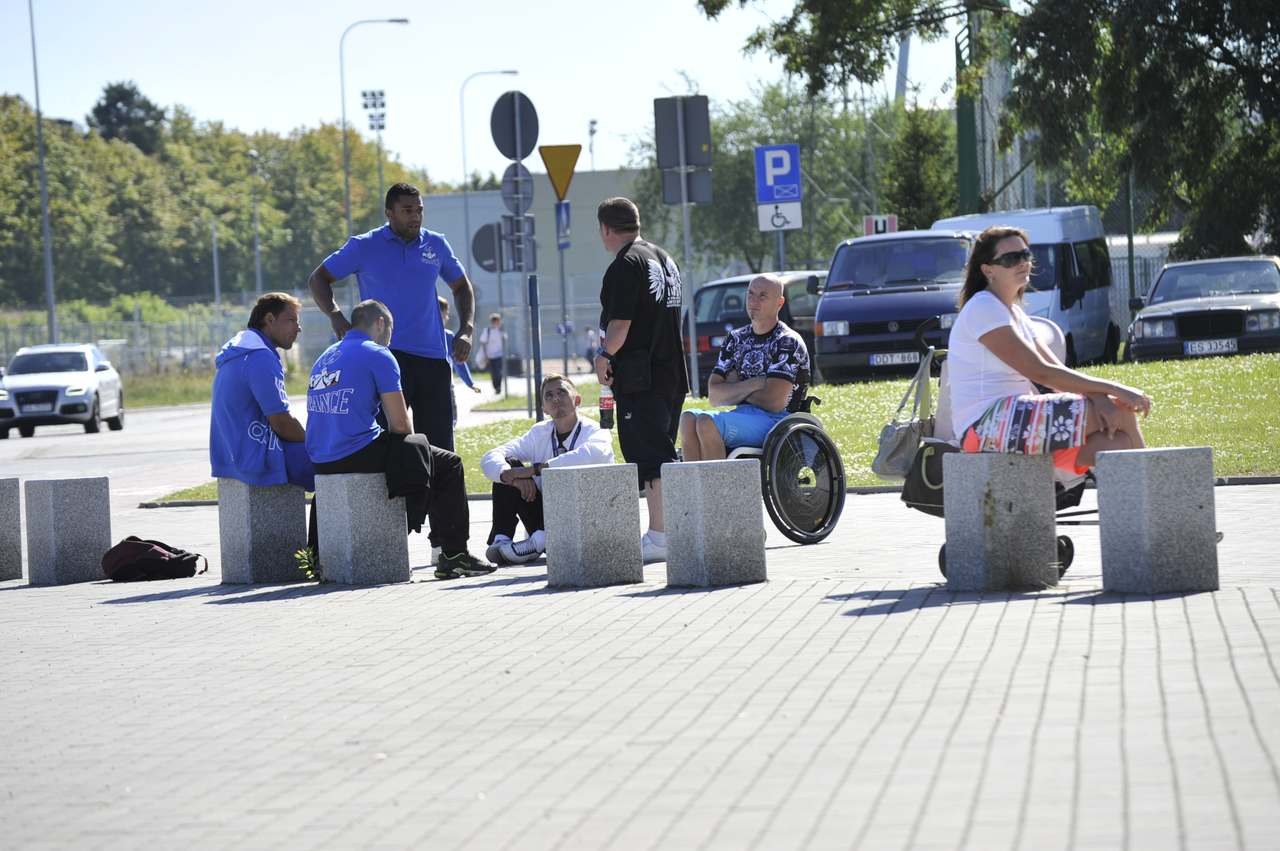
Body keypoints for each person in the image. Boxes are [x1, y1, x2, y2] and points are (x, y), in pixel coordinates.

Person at [304, 298, 495, 580]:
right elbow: (400, 423)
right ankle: (455, 555)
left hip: (321, 460)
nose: (391, 338)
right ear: (380, 323)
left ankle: (314, 558)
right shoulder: (378, 355)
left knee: (416, 452)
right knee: (447, 462)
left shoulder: (327, 355)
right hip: (356, 452)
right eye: (391, 330)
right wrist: (413, 469)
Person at [948, 226, 1152, 475]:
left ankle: (1135, 508)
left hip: (1015, 420)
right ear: (988, 269)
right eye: (1011, 259)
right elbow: (1041, 373)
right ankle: (1156, 500)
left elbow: (1057, 372)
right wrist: (1115, 389)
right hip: (984, 426)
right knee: (1121, 410)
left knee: (1117, 441)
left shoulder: (1015, 313)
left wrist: (1099, 398)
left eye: (1025, 255)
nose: (1022, 263)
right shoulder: (983, 307)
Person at [306, 182, 475, 452]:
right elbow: (318, 279)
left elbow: (461, 286)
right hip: (384, 356)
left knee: (440, 446)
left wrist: (466, 328)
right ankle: (393, 495)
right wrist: (335, 315)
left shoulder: (436, 244)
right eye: (407, 210)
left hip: (432, 358)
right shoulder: (364, 246)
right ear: (389, 213)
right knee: (388, 442)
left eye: (419, 210)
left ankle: (440, 495)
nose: (416, 216)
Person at [593, 197, 689, 563]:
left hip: (640, 377)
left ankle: (661, 535)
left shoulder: (624, 265)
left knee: (651, 457)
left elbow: (620, 325)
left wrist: (604, 356)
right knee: (663, 451)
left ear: (605, 228)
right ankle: (669, 529)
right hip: (671, 373)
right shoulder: (664, 258)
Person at [209, 292, 318, 550]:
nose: (299, 328)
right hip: (258, 455)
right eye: (291, 320)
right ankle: (322, 556)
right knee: (335, 465)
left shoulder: (239, 351)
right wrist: (315, 442)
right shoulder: (260, 358)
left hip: (230, 455)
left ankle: (316, 553)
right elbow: (282, 422)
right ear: (269, 319)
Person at [479, 374, 615, 565]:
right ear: (543, 407)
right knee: (507, 466)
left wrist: (534, 470)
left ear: (577, 400)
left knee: (522, 472)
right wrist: (515, 478)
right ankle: (502, 540)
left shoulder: (595, 430)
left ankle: (539, 541)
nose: (555, 399)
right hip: (546, 513)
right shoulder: (539, 432)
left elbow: (593, 454)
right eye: (549, 396)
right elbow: (490, 456)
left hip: (585, 517)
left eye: (562, 392)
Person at [679, 275, 809, 460]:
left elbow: (773, 402)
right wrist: (754, 383)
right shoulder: (736, 338)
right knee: (688, 418)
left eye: (762, 296)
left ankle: (720, 487)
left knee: (706, 422)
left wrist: (734, 387)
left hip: (777, 421)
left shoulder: (787, 341)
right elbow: (714, 396)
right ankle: (694, 488)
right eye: (750, 294)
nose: (753, 302)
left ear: (779, 303)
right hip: (742, 415)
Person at [439, 297, 481, 430]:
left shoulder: (449, 336)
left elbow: (459, 363)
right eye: (445, 314)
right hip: (432, 385)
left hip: (447, 384)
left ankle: (449, 433)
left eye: (445, 314)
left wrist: (470, 383)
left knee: (451, 417)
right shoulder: (426, 337)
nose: (446, 317)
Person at [477, 312, 507, 395]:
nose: (498, 323)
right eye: (496, 321)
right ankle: (496, 387)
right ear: (493, 322)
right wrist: (486, 355)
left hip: (499, 355)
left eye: (499, 321)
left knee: (499, 372)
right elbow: (483, 343)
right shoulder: (487, 331)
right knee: (494, 372)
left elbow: (504, 340)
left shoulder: (500, 330)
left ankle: (499, 387)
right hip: (490, 355)